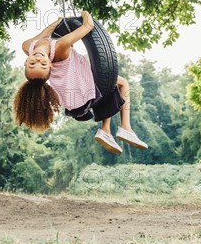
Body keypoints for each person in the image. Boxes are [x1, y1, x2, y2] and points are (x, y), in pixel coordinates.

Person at [13, 10, 147, 154]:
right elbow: (88, 26)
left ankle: (106, 130)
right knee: (120, 84)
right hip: (82, 89)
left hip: (76, 94)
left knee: (110, 85)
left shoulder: (28, 46)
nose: (38, 60)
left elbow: (44, 36)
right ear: (50, 65)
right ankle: (125, 127)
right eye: (43, 65)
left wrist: (58, 22)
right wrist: (84, 13)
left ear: (26, 62)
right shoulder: (60, 46)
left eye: (33, 64)